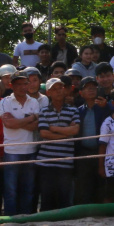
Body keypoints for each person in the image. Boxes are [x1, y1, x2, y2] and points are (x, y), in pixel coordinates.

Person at [0, 72, 41, 215]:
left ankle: (26, 218)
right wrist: (31, 117)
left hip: (30, 149)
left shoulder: (34, 102)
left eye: (25, 83)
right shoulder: (5, 101)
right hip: (12, 151)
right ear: (11, 85)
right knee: (11, 189)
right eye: (18, 84)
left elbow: (36, 126)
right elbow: (8, 123)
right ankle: (11, 218)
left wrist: (17, 122)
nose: (22, 87)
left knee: (28, 188)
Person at [36, 78, 79, 211]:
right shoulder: (43, 111)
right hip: (45, 162)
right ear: (48, 93)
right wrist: (66, 134)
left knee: (64, 196)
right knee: (46, 196)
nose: (58, 91)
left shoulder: (73, 110)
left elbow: (75, 130)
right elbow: (44, 133)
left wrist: (53, 128)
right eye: (54, 89)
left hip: (65, 162)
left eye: (60, 88)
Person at [75, 77, 111, 206]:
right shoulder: (78, 111)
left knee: (101, 184)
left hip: (100, 152)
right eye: (88, 88)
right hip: (83, 153)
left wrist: (106, 107)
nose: (91, 91)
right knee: (83, 186)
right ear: (81, 93)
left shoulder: (104, 108)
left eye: (94, 88)